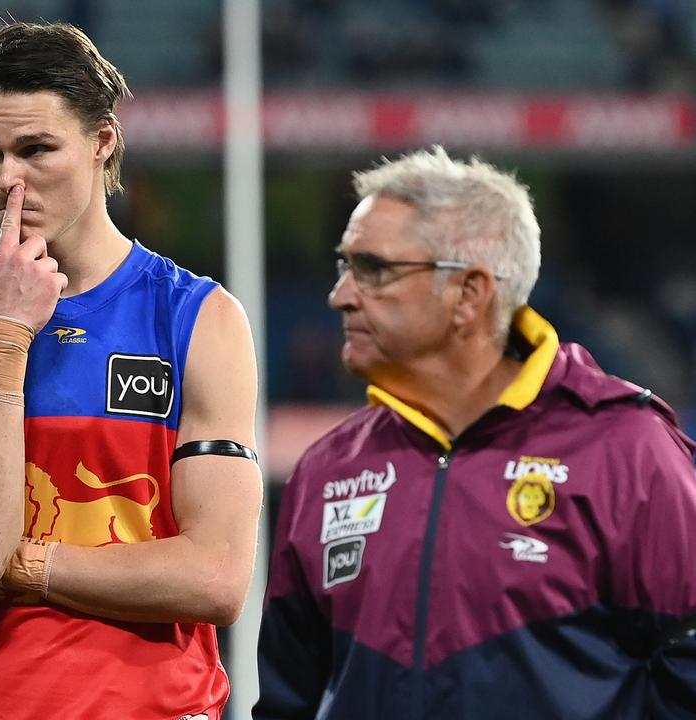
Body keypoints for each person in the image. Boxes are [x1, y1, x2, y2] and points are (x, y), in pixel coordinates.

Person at [0, 21, 262, 720]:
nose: (7, 180)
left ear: (102, 142)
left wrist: (20, 562)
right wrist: (3, 332)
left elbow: (214, 578)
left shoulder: (199, 319)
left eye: (36, 150)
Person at [254, 147, 696, 719]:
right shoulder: (329, 469)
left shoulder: (627, 449)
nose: (340, 294)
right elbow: (290, 701)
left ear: (469, 293)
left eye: (374, 269)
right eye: (344, 265)